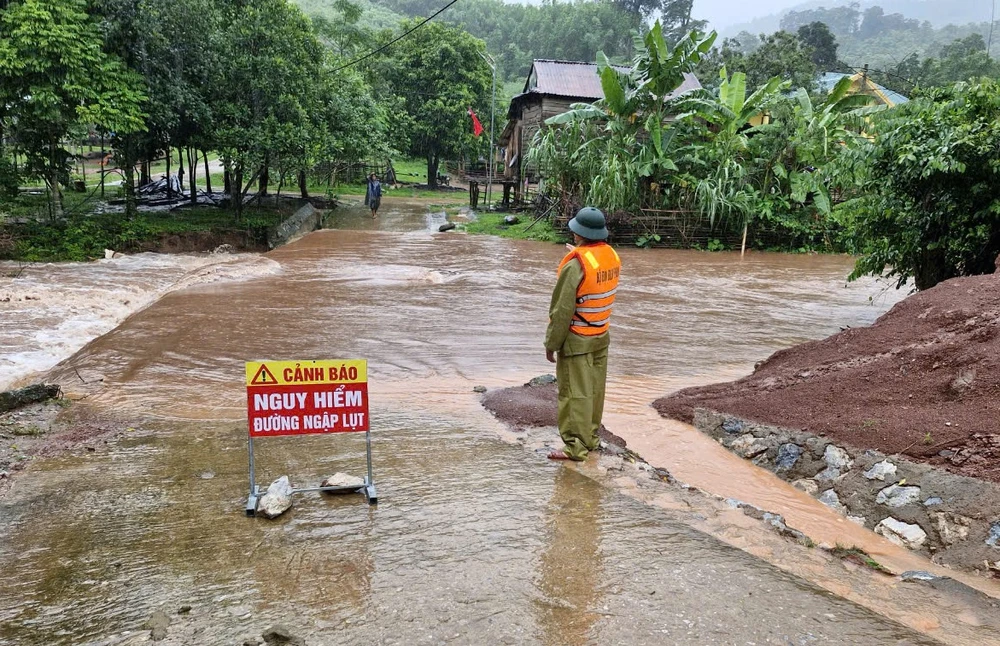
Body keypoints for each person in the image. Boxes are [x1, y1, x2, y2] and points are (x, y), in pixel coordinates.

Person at [544, 207, 621, 461]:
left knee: (574, 393)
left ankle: (575, 447)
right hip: (601, 335)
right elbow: (593, 276)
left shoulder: (575, 264)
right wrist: (578, 254)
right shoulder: (610, 255)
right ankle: (590, 438)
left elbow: (562, 310)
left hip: (577, 339)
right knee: (595, 391)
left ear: (579, 233)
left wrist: (551, 343)